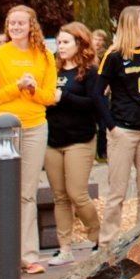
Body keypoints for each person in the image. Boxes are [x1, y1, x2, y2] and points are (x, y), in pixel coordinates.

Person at [0, 4, 59, 276]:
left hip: (36, 126)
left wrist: (32, 90)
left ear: (31, 26)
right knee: (5, 190)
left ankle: (28, 255)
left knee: (27, 192)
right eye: (11, 23)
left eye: (21, 23)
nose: (15, 27)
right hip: (5, 128)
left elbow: (50, 96)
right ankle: (4, 251)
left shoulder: (45, 56)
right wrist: (14, 87)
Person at [99, 6, 140, 242]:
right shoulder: (114, 56)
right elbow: (97, 93)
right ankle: (107, 242)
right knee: (117, 191)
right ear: (132, 23)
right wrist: (111, 126)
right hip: (123, 130)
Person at [44, 22, 106, 263]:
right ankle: (65, 248)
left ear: (79, 43)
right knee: (59, 196)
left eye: (66, 42)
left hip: (80, 139)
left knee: (77, 193)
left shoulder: (90, 71)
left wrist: (65, 97)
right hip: (53, 140)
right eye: (59, 42)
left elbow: (94, 104)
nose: (61, 47)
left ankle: (98, 238)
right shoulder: (52, 69)